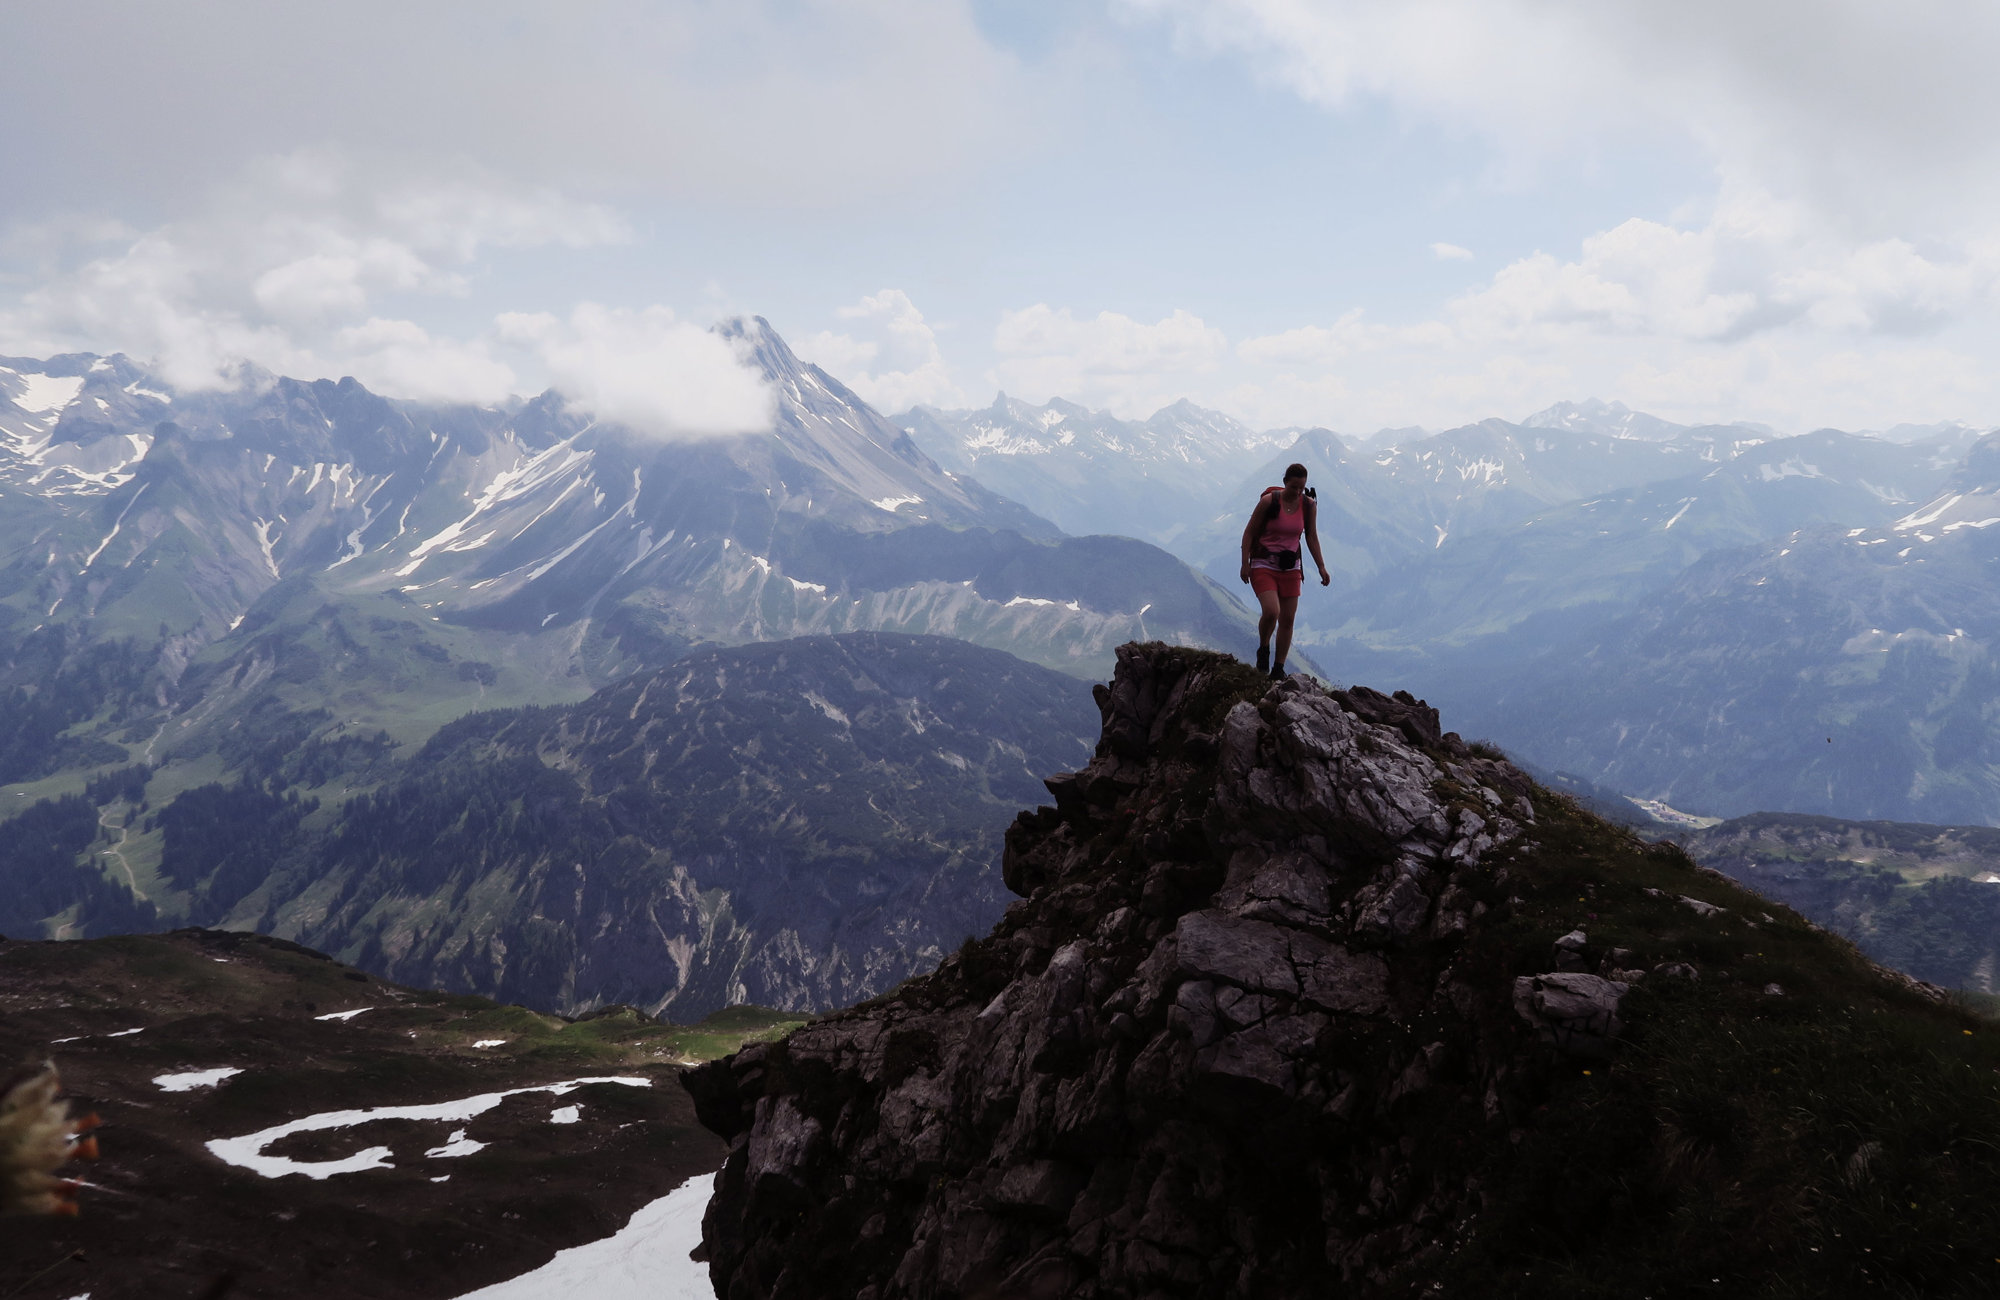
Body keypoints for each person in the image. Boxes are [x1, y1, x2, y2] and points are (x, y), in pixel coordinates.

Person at [1238, 462, 1329, 678]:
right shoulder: (1269, 502)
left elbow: (1311, 537)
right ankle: (1263, 647)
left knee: (1287, 619)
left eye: (1301, 488)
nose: (1297, 492)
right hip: (1263, 563)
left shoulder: (1308, 506)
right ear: (1285, 482)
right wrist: (1245, 563)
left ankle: (1278, 669)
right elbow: (1249, 533)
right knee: (1272, 612)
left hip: (1291, 568)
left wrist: (1321, 567)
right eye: (1294, 487)